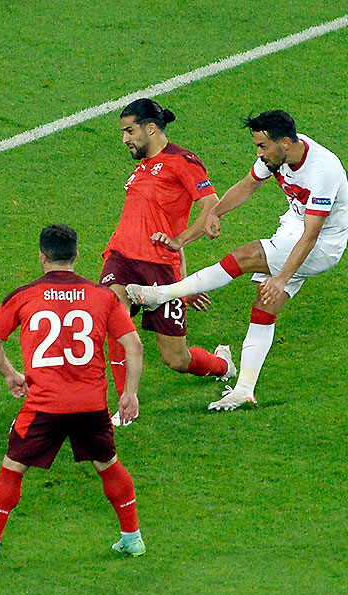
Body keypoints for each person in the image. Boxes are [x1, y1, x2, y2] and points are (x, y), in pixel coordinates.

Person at [127, 110, 348, 410]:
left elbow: (311, 236)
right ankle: (244, 389)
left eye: (262, 146)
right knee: (264, 306)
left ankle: (161, 294)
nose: (259, 153)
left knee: (247, 256)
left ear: (284, 142)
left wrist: (282, 278)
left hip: (323, 243)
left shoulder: (323, 170)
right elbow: (248, 185)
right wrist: (215, 213)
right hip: (295, 225)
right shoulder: (277, 155)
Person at [0, 224, 146, 568]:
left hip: (44, 406)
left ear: (42, 256)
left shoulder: (24, 296)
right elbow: (134, 345)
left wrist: (10, 374)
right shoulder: (103, 296)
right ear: (76, 255)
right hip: (90, 406)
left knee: (12, 470)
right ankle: (133, 539)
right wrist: (130, 393)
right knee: (108, 465)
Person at [101, 98, 235, 424]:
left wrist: (181, 251)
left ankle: (222, 365)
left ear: (150, 128)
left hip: (159, 267)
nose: (125, 139)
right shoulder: (142, 167)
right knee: (113, 321)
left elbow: (212, 207)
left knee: (176, 359)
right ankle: (125, 404)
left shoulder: (182, 161)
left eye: (129, 131)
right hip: (120, 256)